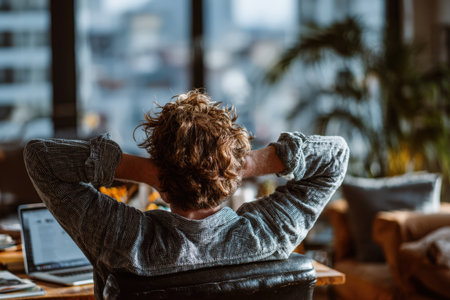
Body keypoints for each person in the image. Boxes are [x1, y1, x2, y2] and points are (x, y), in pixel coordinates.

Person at [24, 90, 349, 299]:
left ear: (161, 180)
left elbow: (40, 157)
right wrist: (238, 165)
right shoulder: (270, 235)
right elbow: (336, 156)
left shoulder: (123, 240)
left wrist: (152, 171)